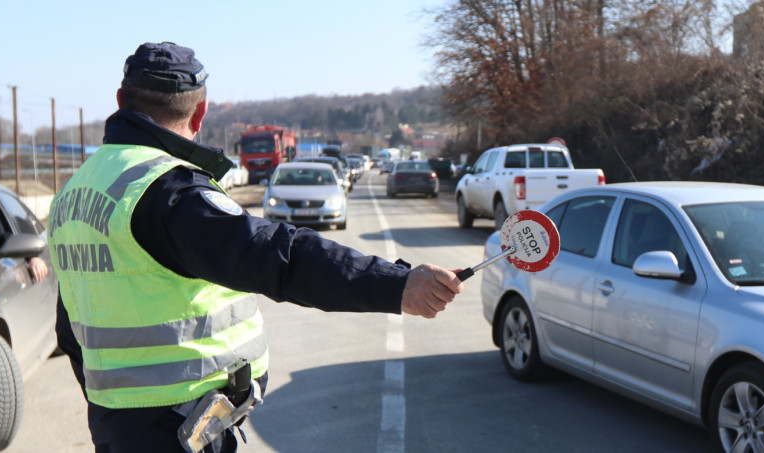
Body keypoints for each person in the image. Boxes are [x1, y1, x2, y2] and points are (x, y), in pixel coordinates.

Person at [48, 42, 463, 453]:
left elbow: (71, 325)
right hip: (176, 425)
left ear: (120, 101)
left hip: (114, 420)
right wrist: (397, 284)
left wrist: (113, 406)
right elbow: (281, 257)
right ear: (200, 112)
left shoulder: (75, 191)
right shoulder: (168, 191)